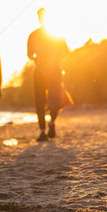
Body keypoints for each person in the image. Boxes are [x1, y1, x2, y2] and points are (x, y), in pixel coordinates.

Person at [28, 8, 69, 142]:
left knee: (55, 99)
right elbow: (29, 54)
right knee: (39, 101)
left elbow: (65, 51)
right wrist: (37, 59)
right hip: (39, 71)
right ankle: (42, 131)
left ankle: (51, 123)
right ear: (38, 18)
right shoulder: (33, 35)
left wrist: (54, 59)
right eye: (40, 16)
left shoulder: (57, 34)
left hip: (54, 70)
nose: (42, 18)